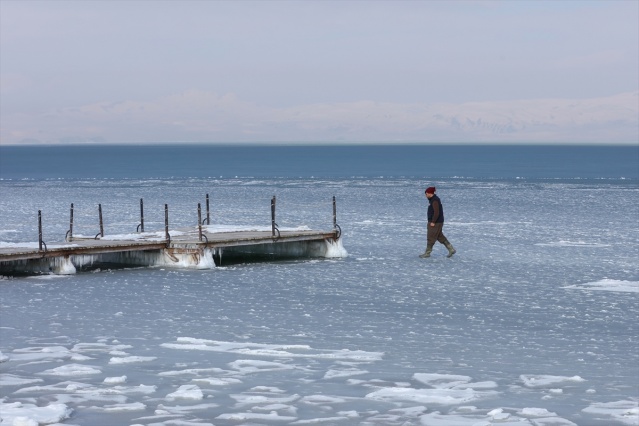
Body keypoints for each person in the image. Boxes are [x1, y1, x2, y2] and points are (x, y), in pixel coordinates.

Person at [420, 186, 456, 258]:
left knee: (431, 236)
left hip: (436, 222)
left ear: (430, 193)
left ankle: (427, 253)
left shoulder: (435, 200)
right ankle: (451, 249)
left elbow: (436, 212)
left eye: (426, 194)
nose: (425, 195)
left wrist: (433, 221)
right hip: (437, 222)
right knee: (439, 236)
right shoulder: (432, 200)